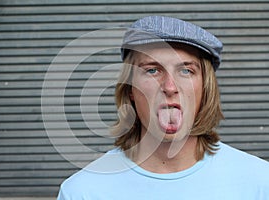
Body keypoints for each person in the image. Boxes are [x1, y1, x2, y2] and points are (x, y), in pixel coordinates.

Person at [57, 16, 269, 199]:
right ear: (130, 88)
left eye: (186, 70)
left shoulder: (260, 184)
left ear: (205, 88)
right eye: (152, 70)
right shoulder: (82, 192)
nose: (170, 87)